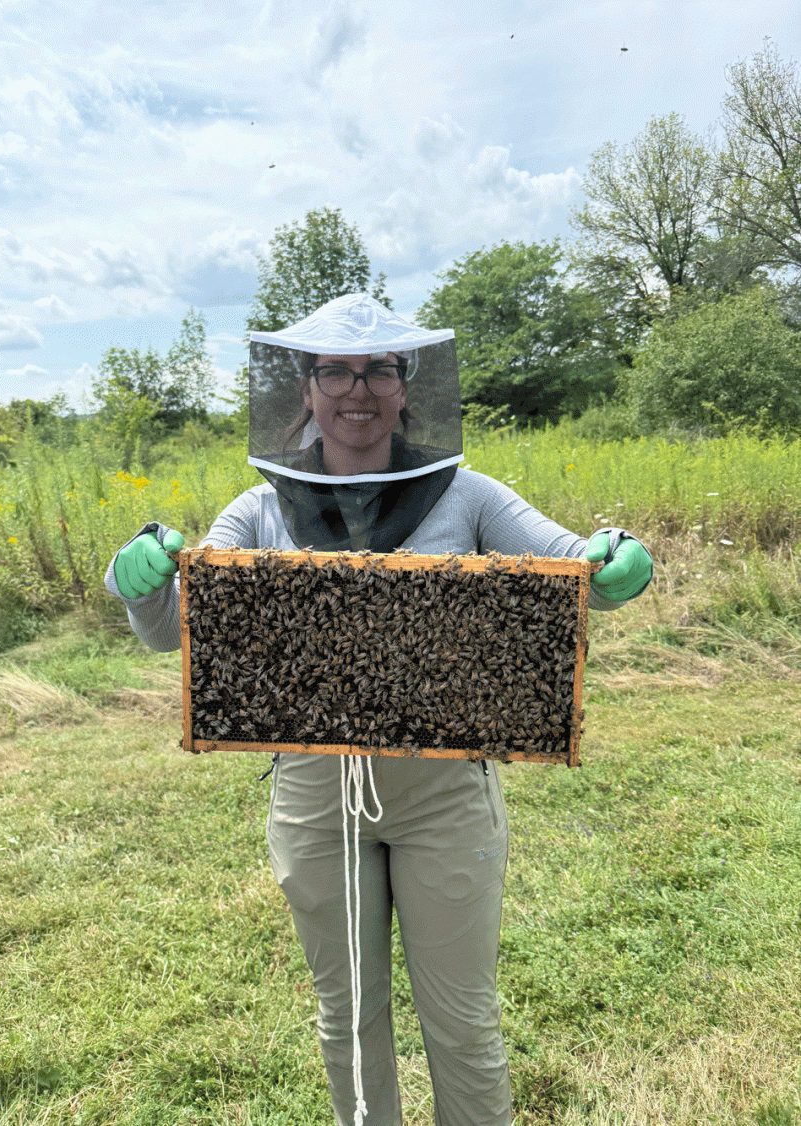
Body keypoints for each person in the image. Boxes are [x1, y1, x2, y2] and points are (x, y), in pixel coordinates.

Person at [106, 294, 652, 1126]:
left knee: (463, 1023)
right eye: (334, 369)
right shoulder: (258, 509)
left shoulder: (467, 496)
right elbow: (178, 622)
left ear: (405, 386)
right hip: (314, 798)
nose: (355, 389)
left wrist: (617, 560)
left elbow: (573, 569)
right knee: (347, 1023)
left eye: (378, 369)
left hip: (444, 796)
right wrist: (140, 578)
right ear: (306, 386)